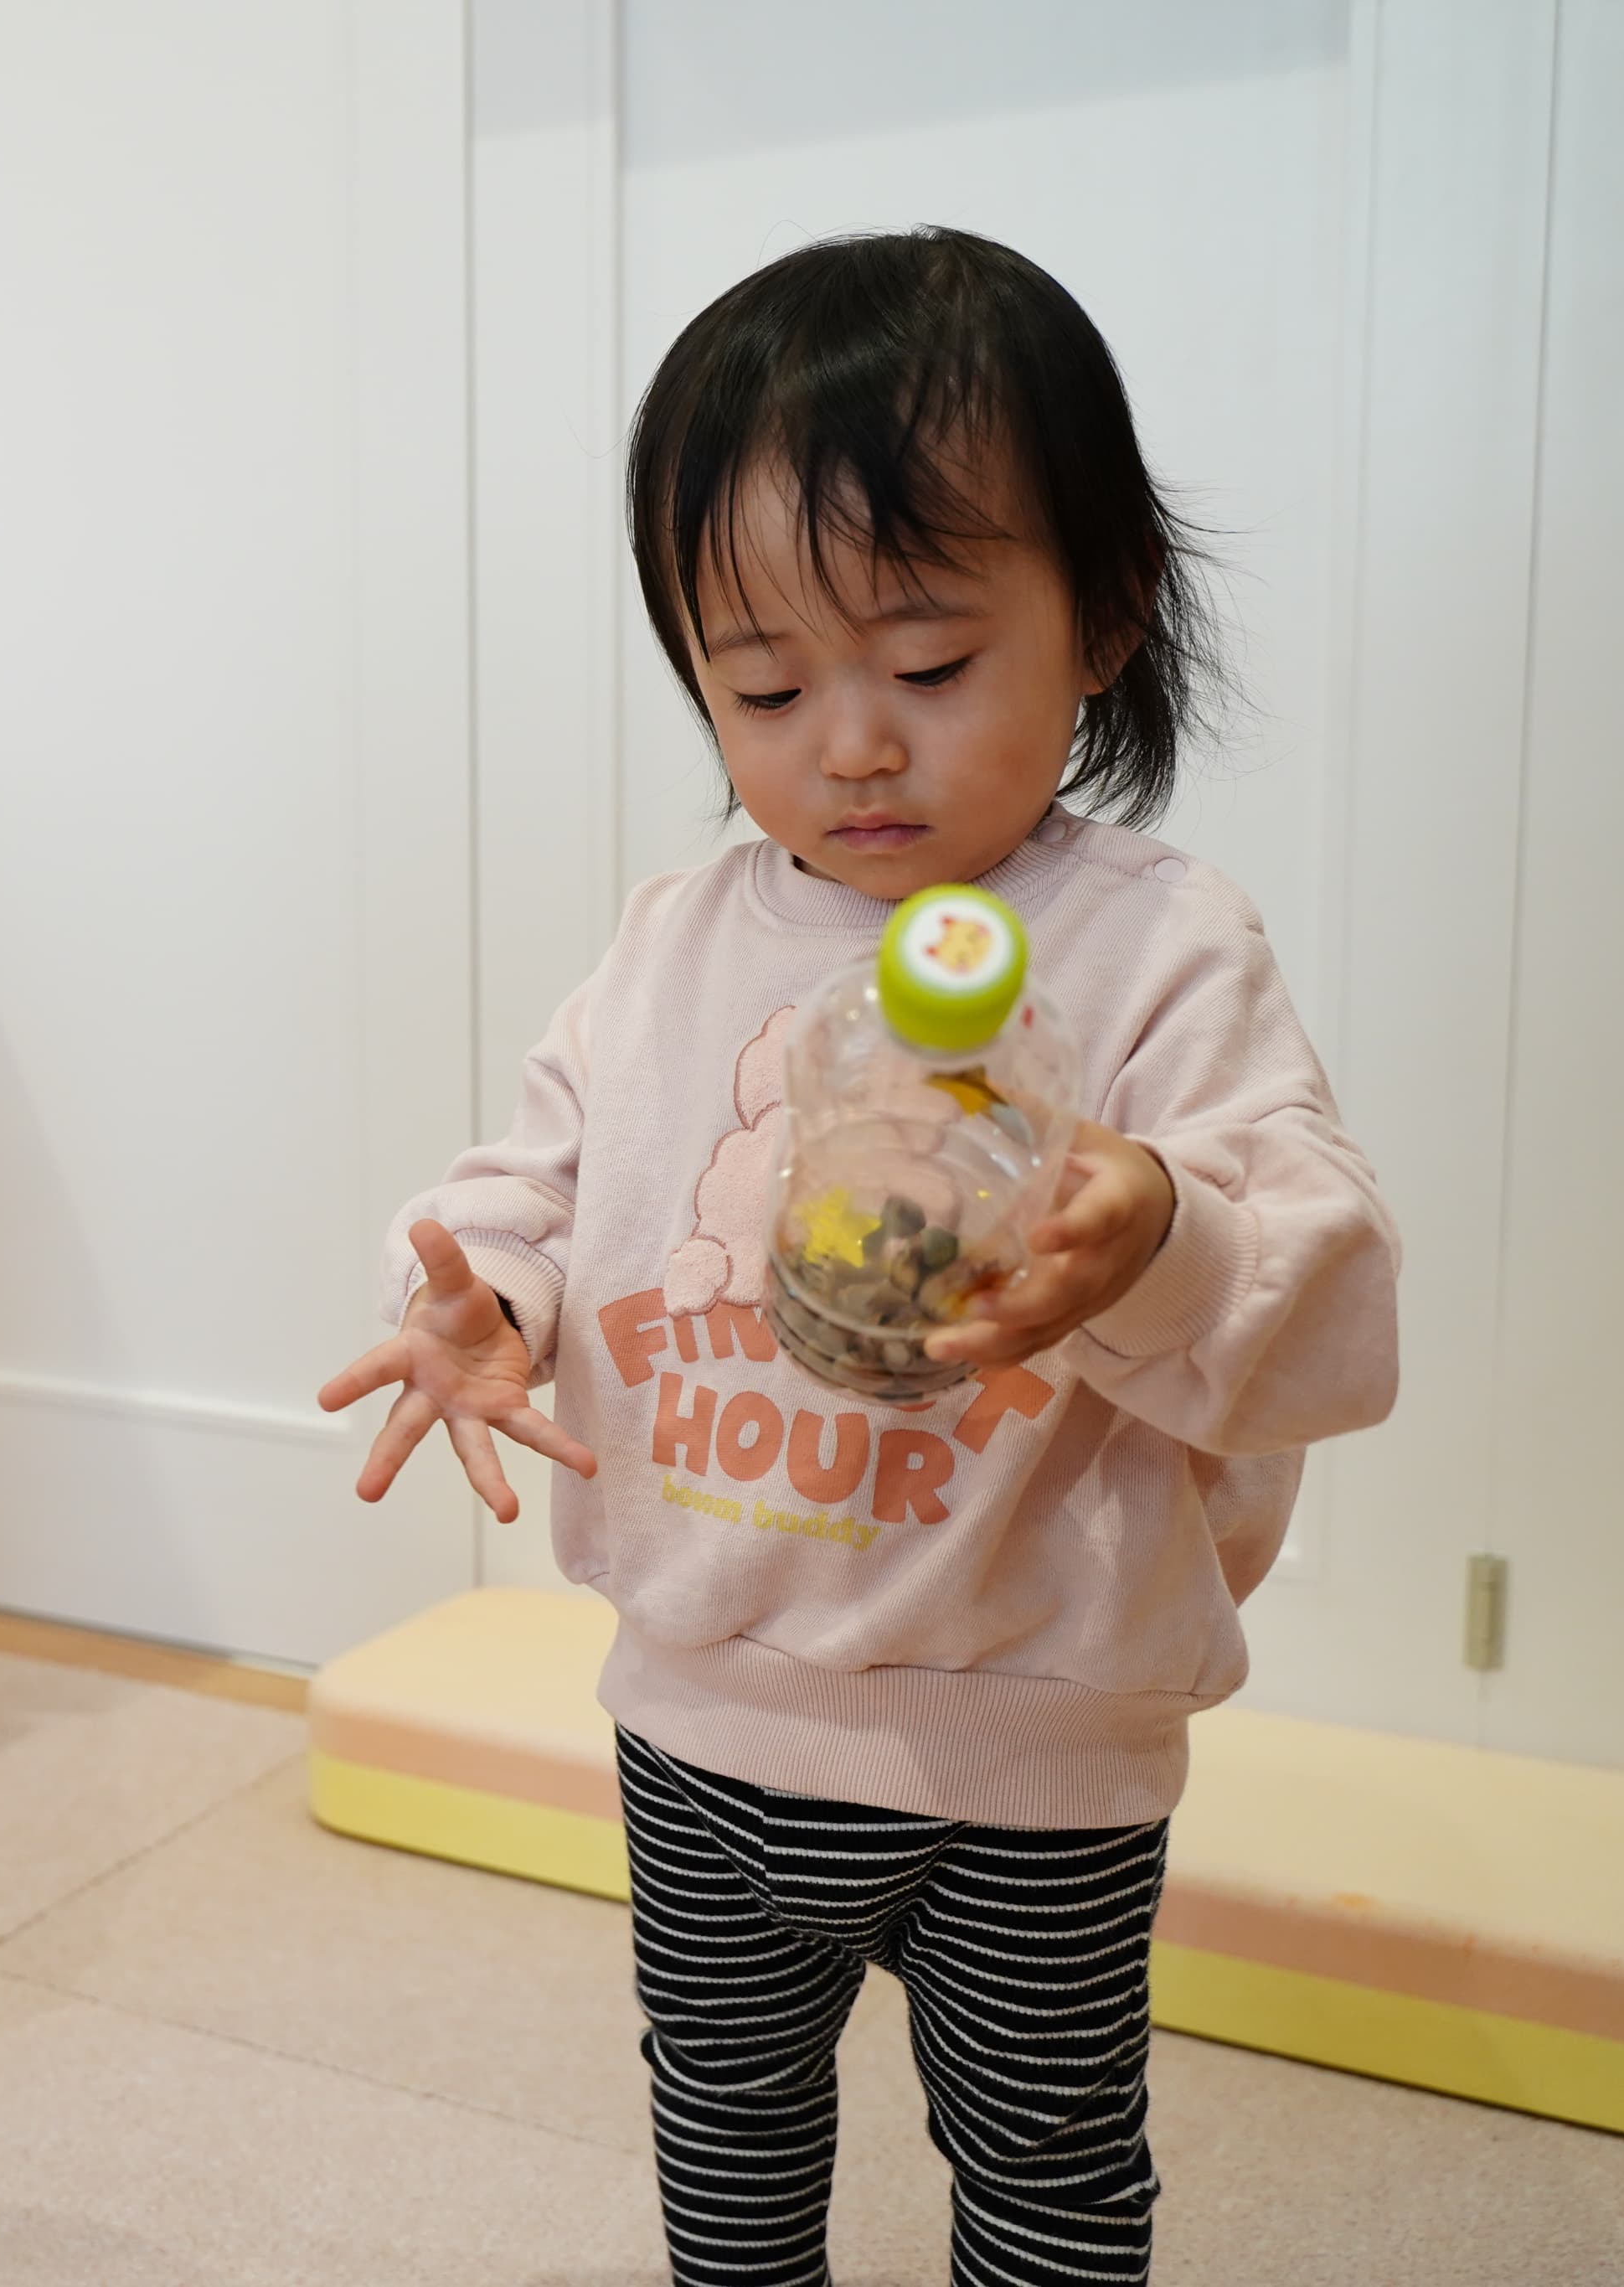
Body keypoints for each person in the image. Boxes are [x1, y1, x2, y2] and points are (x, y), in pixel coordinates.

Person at [319, 229, 1398, 2287]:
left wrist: (1153, 1235)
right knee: (723, 2124)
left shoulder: (1158, 949)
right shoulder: (671, 941)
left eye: (924, 666)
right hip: (701, 1720)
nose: (849, 746)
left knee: (1047, 2171)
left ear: (1103, 614)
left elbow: (1327, 1313)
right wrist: (475, 1298)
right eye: (760, 686)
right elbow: (529, 1181)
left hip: (1031, 1740)